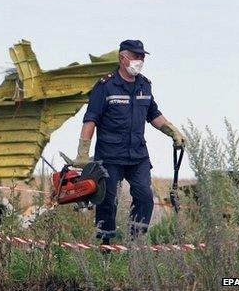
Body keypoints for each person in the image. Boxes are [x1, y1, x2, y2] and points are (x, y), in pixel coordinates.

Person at [73, 39, 185, 244]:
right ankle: (104, 246)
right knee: (108, 201)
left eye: (142, 57)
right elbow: (91, 120)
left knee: (145, 198)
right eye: (135, 56)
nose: (140, 60)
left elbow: (153, 115)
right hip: (109, 156)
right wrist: (82, 153)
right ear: (122, 57)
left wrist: (172, 131)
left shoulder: (145, 85)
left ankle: (135, 244)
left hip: (138, 156)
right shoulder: (105, 86)